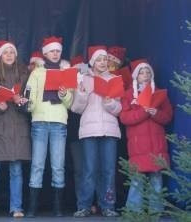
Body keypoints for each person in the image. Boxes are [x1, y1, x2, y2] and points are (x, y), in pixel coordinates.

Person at [71, 46, 122, 217]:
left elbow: (118, 109)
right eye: (99, 60)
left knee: (108, 170)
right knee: (89, 169)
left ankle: (108, 205)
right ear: (92, 63)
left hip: (109, 130)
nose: (102, 63)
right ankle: (84, 206)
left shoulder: (115, 79)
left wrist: (109, 103)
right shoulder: (84, 79)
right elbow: (76, 109)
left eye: (105, 60)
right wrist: (82, 94)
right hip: (89, 130)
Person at [0, 40, 30, 218]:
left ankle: (16, 207)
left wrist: (20, 103)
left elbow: (30, 105)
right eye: (6, 52)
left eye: (12, 52)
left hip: (18, 128)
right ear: (0, 56)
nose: (9, 55)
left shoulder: (25, 74)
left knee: (16, 170)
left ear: (16, 55)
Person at [25, 36, 72, 217]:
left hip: (59, 122)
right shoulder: (37, 72)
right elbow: (30, 96)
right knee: (37, 164)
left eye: (58, 51)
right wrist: (27, 105)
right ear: (45, 53)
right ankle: (32, 207)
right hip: (40, 122)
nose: (55, 53)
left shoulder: (66, 72)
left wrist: (64, 94)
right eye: (52, 51)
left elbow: (70, 103)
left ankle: (58, 207)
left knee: (58, 165)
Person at [120, 59, 172, 213]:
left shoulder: (159, 94)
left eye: (148, 72)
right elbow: (125, 118)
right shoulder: (129, 94)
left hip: (157, 144)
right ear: (136, 76)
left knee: (156, 177)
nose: (145, 75)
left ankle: (156, 211)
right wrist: (143, 112)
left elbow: (168, 116)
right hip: (138, 145)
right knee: (137, 179)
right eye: (142, 73)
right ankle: (134, 212)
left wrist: (156, 113)